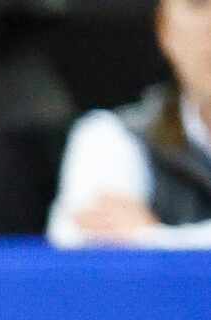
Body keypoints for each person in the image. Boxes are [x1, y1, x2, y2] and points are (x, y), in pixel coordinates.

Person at [48, 0, 211, 249]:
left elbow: (133, 241)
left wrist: (152, 237)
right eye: (197, 4)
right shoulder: (114, 136)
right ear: (164, 28)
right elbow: (84, 244)